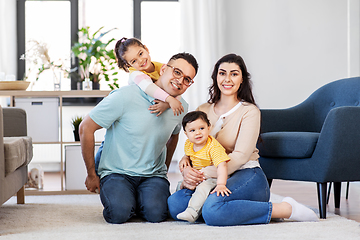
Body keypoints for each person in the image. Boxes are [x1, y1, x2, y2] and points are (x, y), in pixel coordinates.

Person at [167, 53, 319, 226]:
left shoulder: (249, 111)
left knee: (212, 210)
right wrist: (186, 168)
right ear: (216, 77)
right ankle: (237, 210)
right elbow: (194, 144)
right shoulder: (203, 109)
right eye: (222, 73)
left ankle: (284, 209)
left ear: (242, 80)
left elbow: (240, 155)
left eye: (234, 74)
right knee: (175, 204)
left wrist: (201, 174)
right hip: (210, 178)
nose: (227, 79)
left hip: (247, 175)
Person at [79, 52, 198, 224]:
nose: (180, 80)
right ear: (164, 69)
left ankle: (138, 199)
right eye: (177, 72)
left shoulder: (181, 107)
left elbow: (174, 135)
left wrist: (163, 169)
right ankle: (127, 200)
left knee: (157, 214)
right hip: (116, 172)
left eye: (187, 79)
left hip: (152, 174)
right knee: (118, 213)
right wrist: (91, 174)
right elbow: (85, 128)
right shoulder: (124, 96)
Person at [176, 111, 231, 223]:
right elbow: (188, 154)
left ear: (209, 128)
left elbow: (222, 165)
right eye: (192, 130)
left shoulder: (213, 146)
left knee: (203, 188)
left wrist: (221, 184)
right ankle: (179, 202)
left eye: (201, 128)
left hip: (212, 177)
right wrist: (185, 158)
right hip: (198, 175)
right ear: (186, 134)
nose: (198, 133)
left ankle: (192, 212)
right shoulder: (189, 144)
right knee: (180, 184)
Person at [114, 37, 183, 116]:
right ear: (130, 65)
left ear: (146, 49)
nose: (140, 60)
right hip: (138, 108)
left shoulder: (162, 67)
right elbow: (148, 87)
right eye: (134, 61)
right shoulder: (135, 74)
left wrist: (167, 104)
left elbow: (177, 87)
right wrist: (169, 100)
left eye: (140, 54)